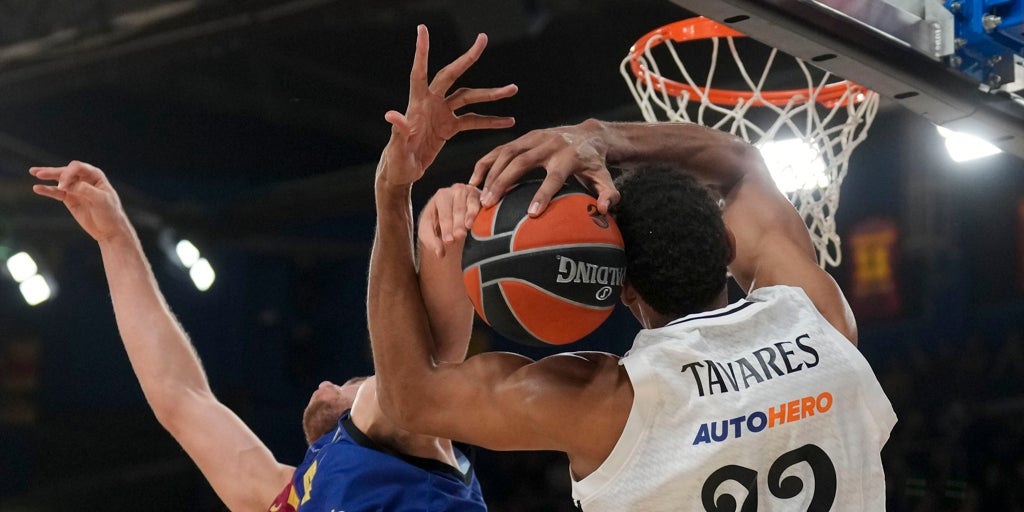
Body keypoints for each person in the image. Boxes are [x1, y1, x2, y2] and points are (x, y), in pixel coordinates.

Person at [30, 24, 517, 512]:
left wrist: (424, 219)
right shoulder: (296, 491)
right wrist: (115, 237)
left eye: (355, 384)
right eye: (354, 379)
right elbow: (179, 395)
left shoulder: (396, 440)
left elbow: (421, 373)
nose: (331, 382)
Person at [369, 112, 898, 510]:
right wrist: (597, 138)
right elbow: (741, 165)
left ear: (624, 291)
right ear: (729, 244)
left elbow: (409, 398)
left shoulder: (607, 404)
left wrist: (393, 193)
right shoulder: (819, 319)